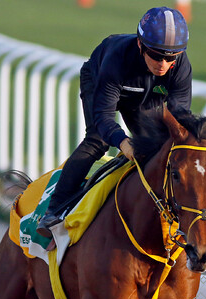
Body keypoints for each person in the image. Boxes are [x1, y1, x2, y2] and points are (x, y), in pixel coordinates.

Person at [36, 6, 192, 238]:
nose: (163, 64)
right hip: (99, 77)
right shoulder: (118, 57)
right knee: (97, 141)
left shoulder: (180, 66)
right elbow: (103, 117)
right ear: (140, 45)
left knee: (158, 146)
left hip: (142, 93)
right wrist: (123, 142)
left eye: (170, 57)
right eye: (156, 55)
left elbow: (179, 119)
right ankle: (53, 211)